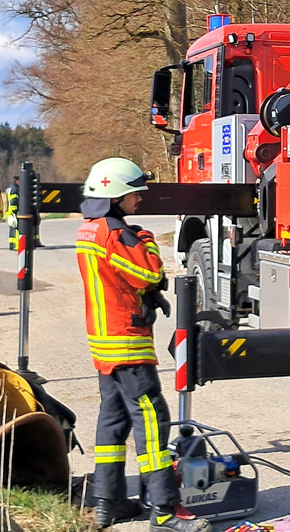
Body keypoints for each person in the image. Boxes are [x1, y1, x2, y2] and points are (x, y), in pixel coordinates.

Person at [76, 157, 208, 532]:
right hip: (126, 342)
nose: (140, 199)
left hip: (104, 342)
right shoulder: (118, 234)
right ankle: (165, 510)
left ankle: (109, 502)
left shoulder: (88, 229)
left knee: (113, 420)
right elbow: (149, 271)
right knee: (152, 420)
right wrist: (147, 238)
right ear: (116, 196)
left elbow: (123, 279)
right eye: (135, 193)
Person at [6, 175, 21, 251]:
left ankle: (12, 245)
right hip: (13, 212)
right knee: (16, 229)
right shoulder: (15, 188)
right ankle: (15, 245)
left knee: (12, 229)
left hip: (9, 212)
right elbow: (13, 200)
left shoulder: (10, 187)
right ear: (17, 181)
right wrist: (15, 211)